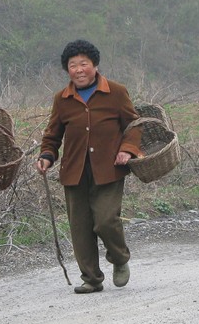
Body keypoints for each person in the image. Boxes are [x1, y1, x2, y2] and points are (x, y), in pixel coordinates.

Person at [35, 39, 142, 294]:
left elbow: (135, 126)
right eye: (73, 65)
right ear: (67, 70)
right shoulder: (62, 99)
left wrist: (127, 150)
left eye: (84, 64)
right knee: (80, 227)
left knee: (105, 220)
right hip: (75, 171)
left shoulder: (115, 92)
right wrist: (47, 156)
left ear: (95, 66)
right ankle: (92, 279)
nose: (79, 70)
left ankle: (119, 258)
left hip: (109, 169)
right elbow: (52, 135)